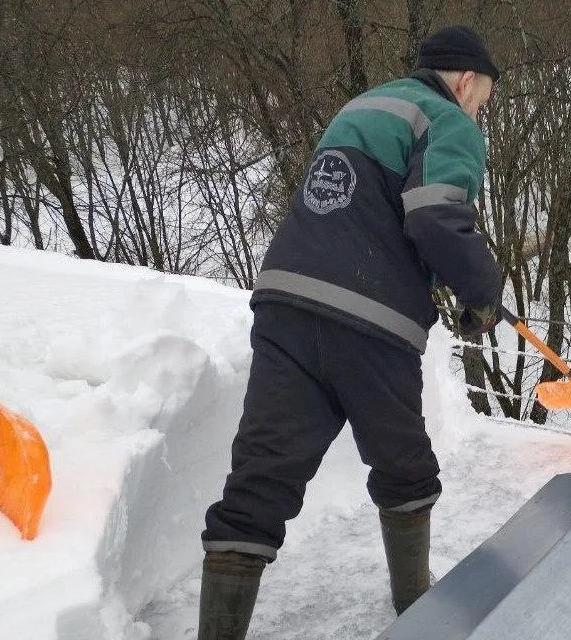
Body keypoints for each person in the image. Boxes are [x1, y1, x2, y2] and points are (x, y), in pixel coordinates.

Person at [197, 25, 503, 639]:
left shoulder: (364, 106)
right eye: (482, 98)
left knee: (261, 478)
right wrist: (482, 293)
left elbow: (359, 206)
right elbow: (438, 216)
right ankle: (415, 600)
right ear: (466, 79)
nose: (479, 110)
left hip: (285, 300)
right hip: (368, 320)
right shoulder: (446, 119)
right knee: (403, 463)